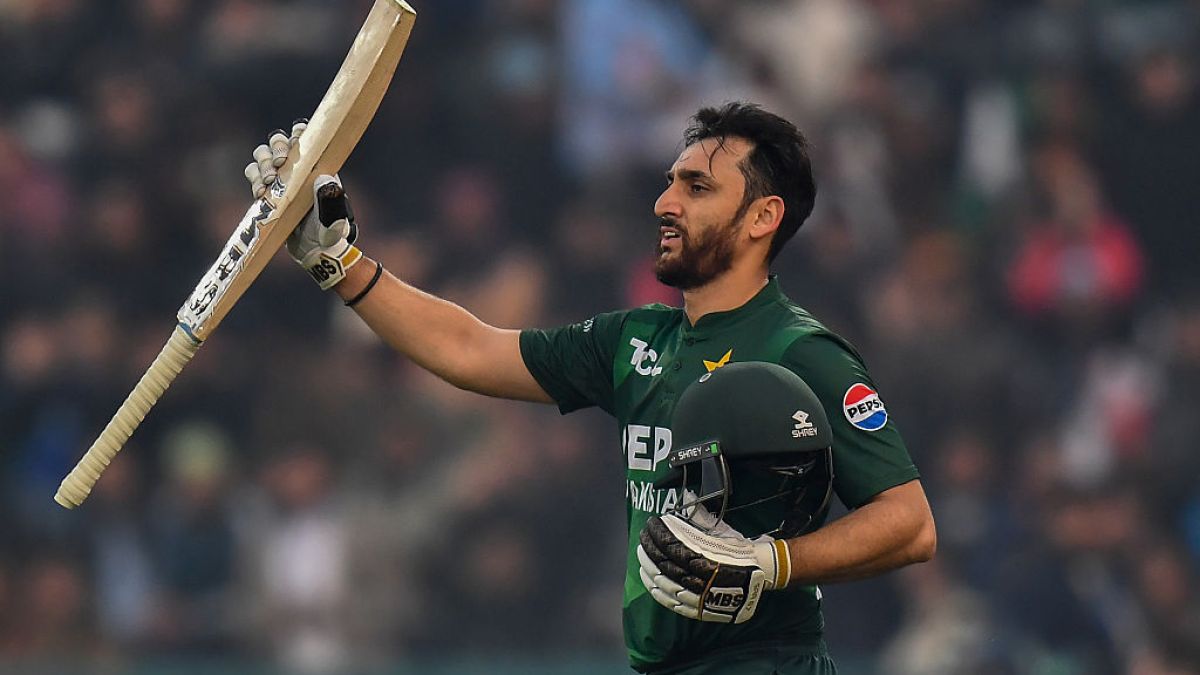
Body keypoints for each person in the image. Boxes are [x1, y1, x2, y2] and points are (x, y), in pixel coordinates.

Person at [246, 102, 936, 673]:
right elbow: (468, 348)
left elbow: (909, 522)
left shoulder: (802, 351)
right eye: (670, 182)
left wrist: (772, 561)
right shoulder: (634, 340)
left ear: (763, 217)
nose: (665, 202)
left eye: (697, 188)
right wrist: (338, 261)